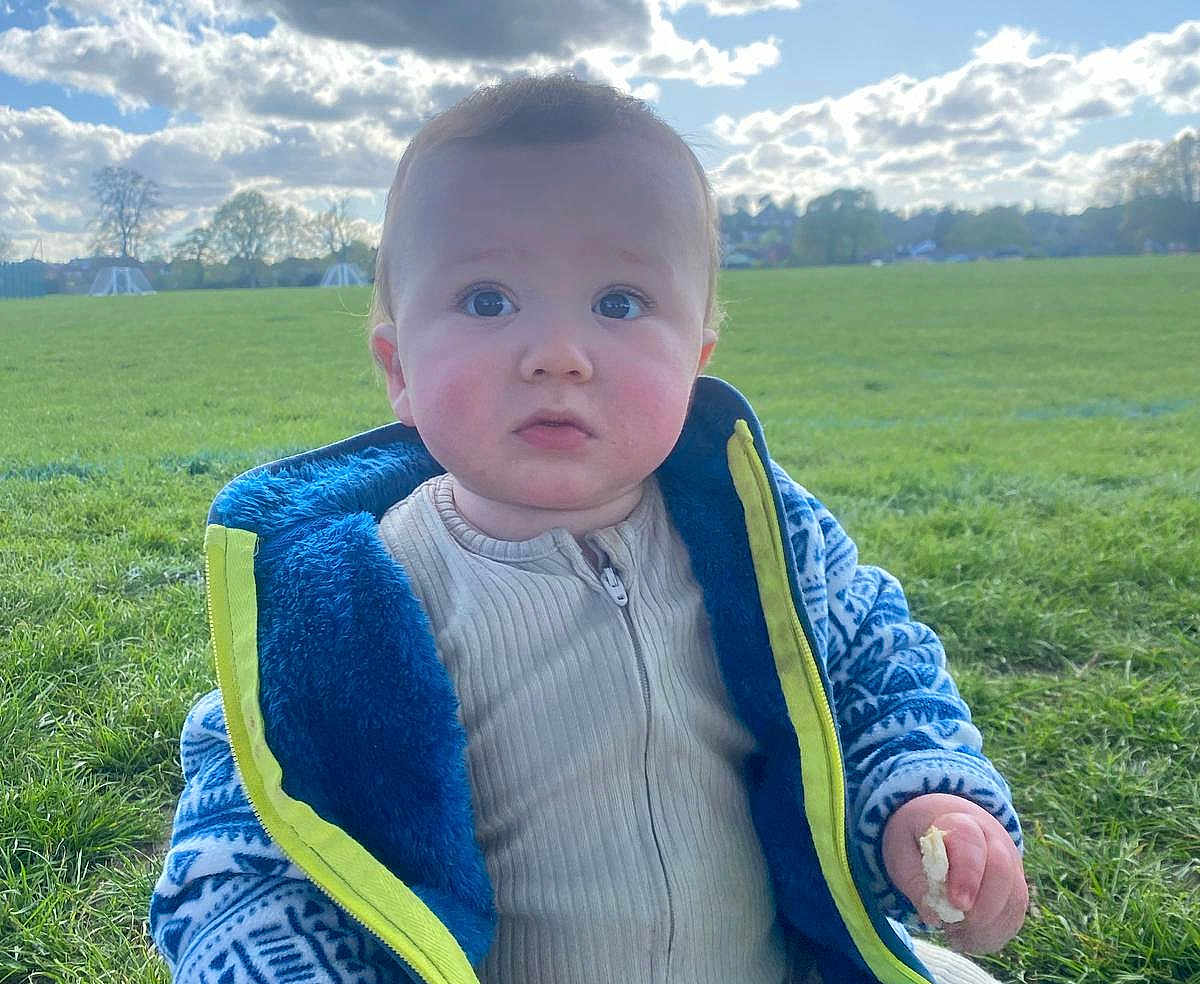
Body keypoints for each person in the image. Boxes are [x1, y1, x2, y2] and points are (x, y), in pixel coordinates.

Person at [150, 75, 1028, 984]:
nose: (557, 355)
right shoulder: (348, 597)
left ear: (695, 362)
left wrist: (928, 800)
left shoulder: (766, 540)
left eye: (618, 302)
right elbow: (249, 828)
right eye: (488, 299)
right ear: (398, 367)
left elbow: (875, 670)